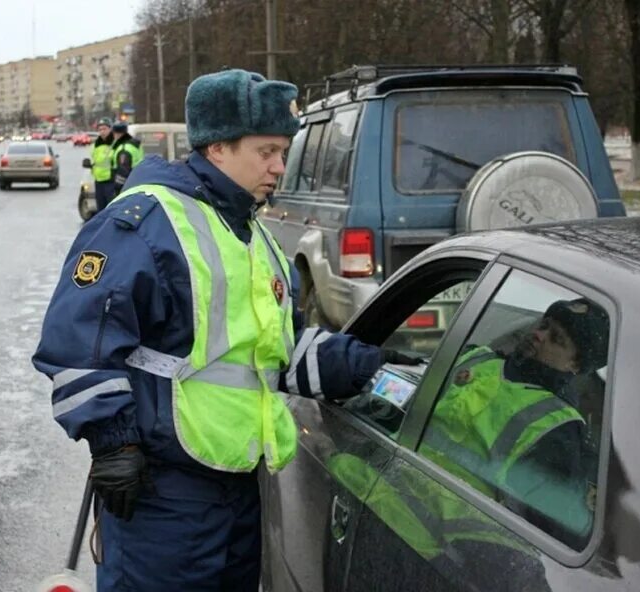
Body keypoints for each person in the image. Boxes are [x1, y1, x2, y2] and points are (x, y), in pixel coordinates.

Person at [33, 69, 384, 591]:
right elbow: (79, 340)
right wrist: (113, 443)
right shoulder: (147, 221)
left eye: (283, 152)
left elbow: (276, 352)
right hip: (162, 497)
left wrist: (368, 365)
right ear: (217, 147)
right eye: (265, 151)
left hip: (238, 489)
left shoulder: (254, 234)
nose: (279, 166)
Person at [420, 298, 609, 545]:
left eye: (556, 339)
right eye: (544, 325)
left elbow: (551, 533)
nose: (540, 335)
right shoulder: (477, 357)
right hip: (378, 483)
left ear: (574, 365)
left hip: (429, 538)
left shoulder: (555, 426)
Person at [110, 121, 144, 195]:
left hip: (126, 188)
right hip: (136, 182)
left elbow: (123, 172)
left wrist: (118, 189)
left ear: (117, 134)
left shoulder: (124, 149)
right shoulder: (134, 145)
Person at [89, 117, 115, 211]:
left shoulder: (115, 143)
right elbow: (93, 160)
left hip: (111, 181)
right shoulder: (96, 144)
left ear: (110, 129)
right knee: (100, 208)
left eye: (104, 129)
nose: (102, 131)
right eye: (100, 129)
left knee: (111, 208)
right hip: (98, 181)